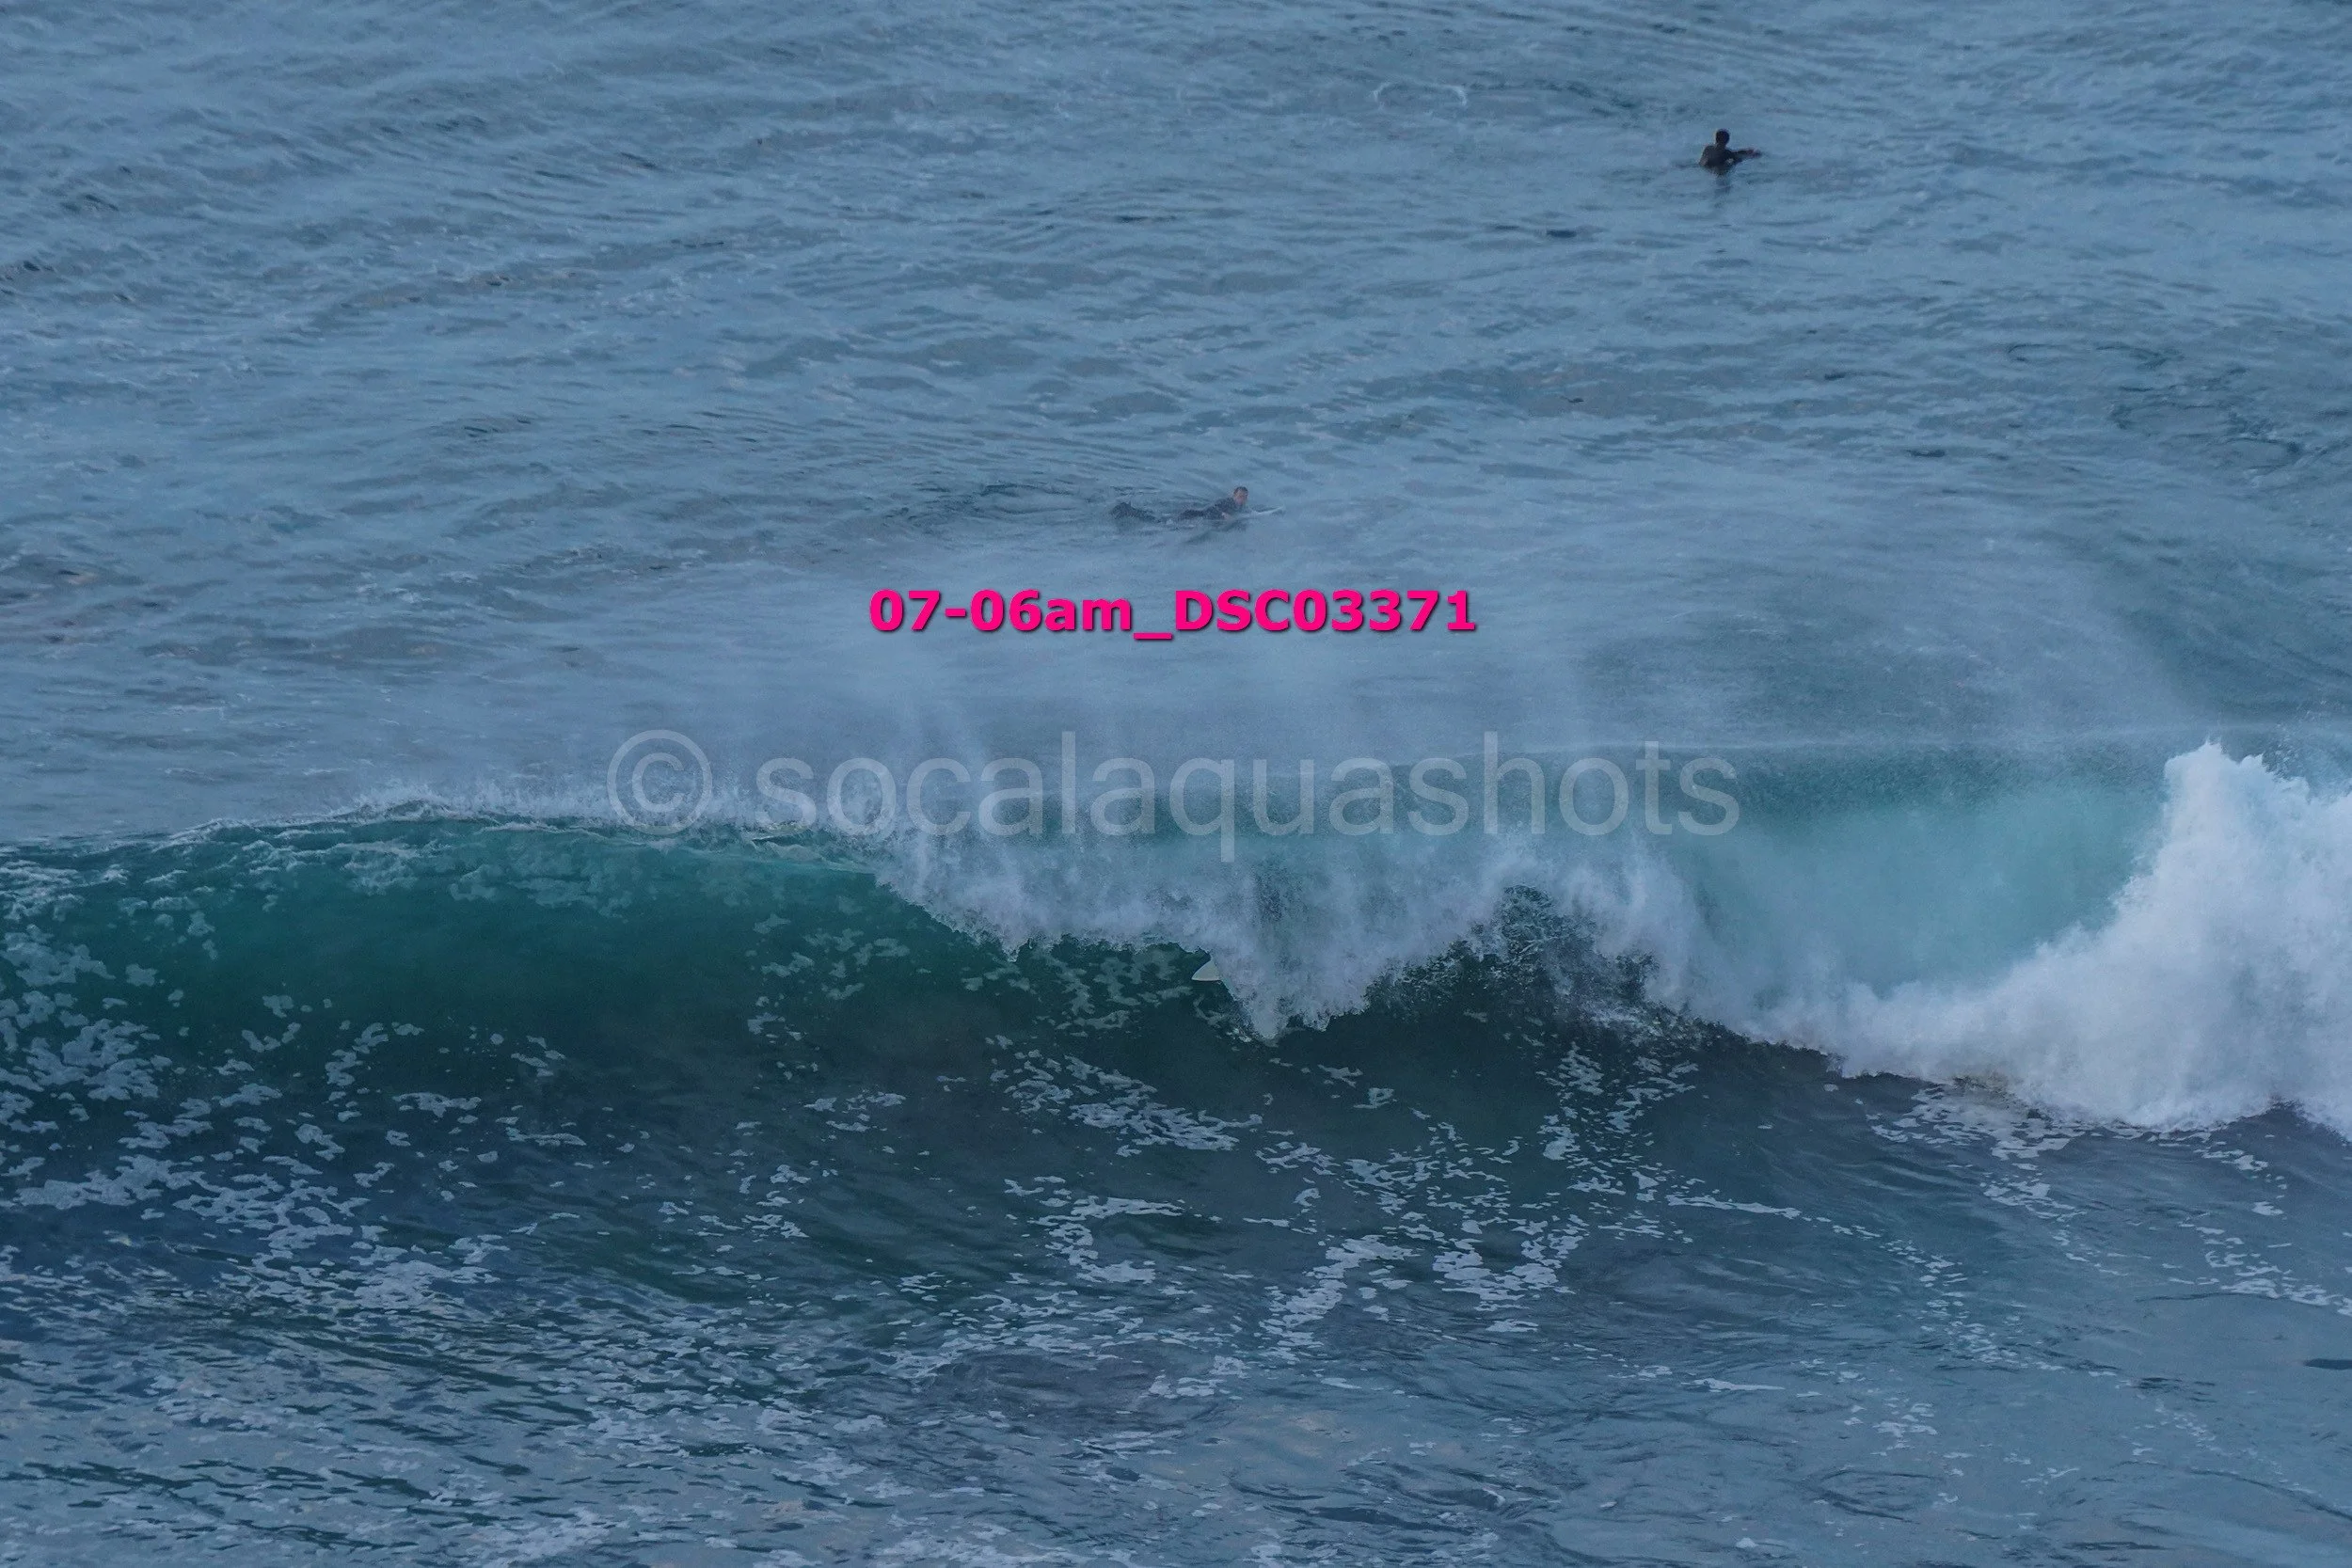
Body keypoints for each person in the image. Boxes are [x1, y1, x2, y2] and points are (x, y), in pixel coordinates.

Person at [1181, 486, 1248, 522]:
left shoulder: (1241, 506)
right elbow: (1211, 507)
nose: (1242, 499)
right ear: (1234, 495)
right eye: (1240, 496)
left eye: (1245, 497)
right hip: (1201, 514)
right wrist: (1223, 514)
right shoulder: (1227, 501)